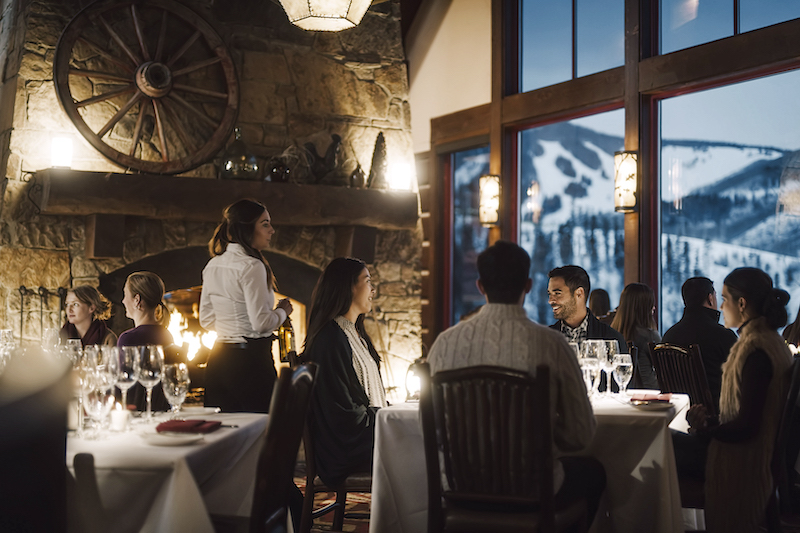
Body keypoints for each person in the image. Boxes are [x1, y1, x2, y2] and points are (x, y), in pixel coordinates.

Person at [429, 242, 605, 527]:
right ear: (528, 285)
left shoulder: (445, 344)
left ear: (480, 286)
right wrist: (538, 438)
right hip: (532, 488)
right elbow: (580, 434)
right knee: (594, 472)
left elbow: (437, 428)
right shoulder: (551, 344)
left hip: (460, 486)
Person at [674, 267, 791, 533]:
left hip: (742, 457)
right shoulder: (767, 342)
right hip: (754, 450)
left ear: (742, 304)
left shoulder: (755, 350)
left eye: (725, 299)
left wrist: (706, 429)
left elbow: (748, 427)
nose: (721, 306)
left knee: (658, 446)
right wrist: (711, 421)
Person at [199, 198, 292, 413]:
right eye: (265, 224)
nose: (272, 231)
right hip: (251, 364)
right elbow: (261, 324)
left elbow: (206, 320)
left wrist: (231, 327)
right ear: (247, 228)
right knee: (259, 436)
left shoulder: (213, 264)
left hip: (219, 361)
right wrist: (282, 312)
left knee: (222, 438)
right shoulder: (252, 266)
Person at [302, 257, 385, 488]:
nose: (373, 290)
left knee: (421, 433)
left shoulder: (355, 334)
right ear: (349, 286)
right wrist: (386, 420)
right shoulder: (330, 338)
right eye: (367, 281)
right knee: (421, 443)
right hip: (345, 447)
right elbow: (342, 414)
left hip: (360, 436)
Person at [662, 277, 738, 409]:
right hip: (717, 414)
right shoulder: (723, 336)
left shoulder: (669, 336)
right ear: (710, 298)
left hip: (677, 413)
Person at [548, 265, 626, 391]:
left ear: (579, 293)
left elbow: (620, 389)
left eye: (557, 293)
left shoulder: (610, 338)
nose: (551, 301)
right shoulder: (547, 338)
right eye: (550, 294)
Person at [118, 271, 174, 411]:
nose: (123, 301)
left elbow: (121, 384)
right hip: (162, 410)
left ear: (137, 299)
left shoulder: (128, 339)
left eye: (125, 295)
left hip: (134, 411)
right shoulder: (167, 335)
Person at [610, 283, 661, 390]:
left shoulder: (613, 335)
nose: (654, 308)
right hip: (651, 392)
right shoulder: (650, 336)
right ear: (644, 308)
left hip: (623, 392)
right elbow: (665, 370)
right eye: (651, 304)